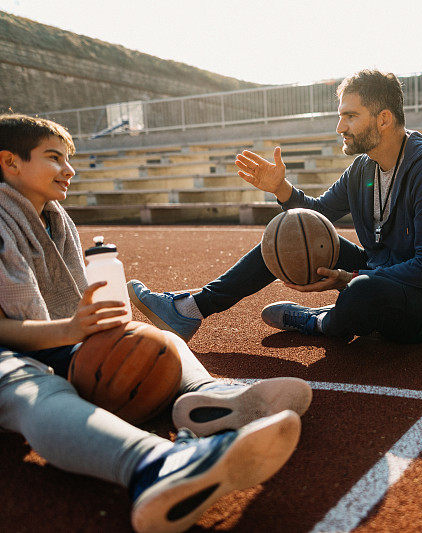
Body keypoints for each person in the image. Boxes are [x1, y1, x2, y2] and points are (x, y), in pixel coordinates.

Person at [0, 114, 313, 533]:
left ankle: (209, 398)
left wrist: (93, 329)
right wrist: (71, 332)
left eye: (69, 158)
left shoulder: (54, 218)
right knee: (33, 386)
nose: (69, 169)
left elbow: (73, 318)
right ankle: (155, 464)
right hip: (15, 350)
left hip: (52, 338)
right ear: (9, 161)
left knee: (155, 340)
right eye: (55, 158)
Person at [129, 69, 422, 344]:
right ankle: (190, 309)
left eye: (350, 116)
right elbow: (317, 215)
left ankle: (318, 322)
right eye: (341, 116)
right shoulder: (362, 170)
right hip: (379, 271)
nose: (340, 127)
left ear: (383, 119)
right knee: (290, 234)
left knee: (363, 291)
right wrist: (281, 189)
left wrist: (351, 278)